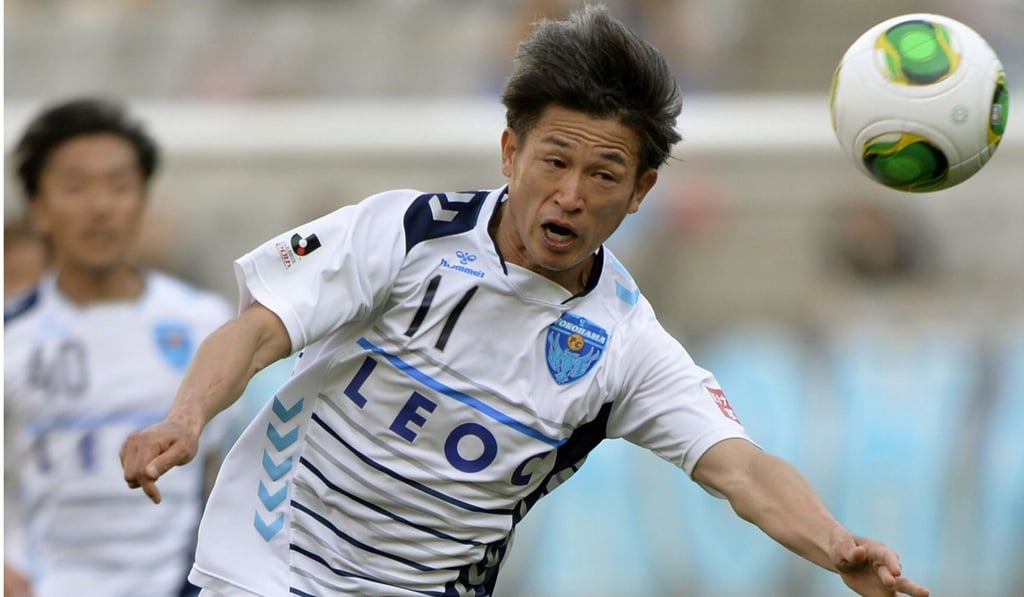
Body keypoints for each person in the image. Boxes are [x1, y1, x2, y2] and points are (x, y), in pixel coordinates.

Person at [120, 6, 931, 596]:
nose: (571, 195)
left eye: (606, 175)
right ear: (510, 150)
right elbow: (260, 330)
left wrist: (836, 544)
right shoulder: (405, 233)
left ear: (642, 191)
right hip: (264, 564)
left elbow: (741, 466)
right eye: (553, 161)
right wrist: (186, 417)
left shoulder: (623, 342)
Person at [4, 97, 236, 597]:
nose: (101, 206)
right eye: (76, 187)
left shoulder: (204, 323)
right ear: (40, 210)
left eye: (119, 186)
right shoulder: (10, 338)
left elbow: (220, 477)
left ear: (143, 201)